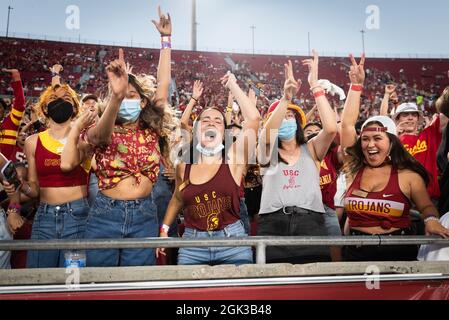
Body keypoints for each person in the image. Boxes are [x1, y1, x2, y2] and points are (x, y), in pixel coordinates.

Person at [73, 7, 177, 267]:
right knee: (101, 282)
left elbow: (162, 87)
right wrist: (117, 96)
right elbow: (98, 137)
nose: (126, 100)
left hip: (144, 213)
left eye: (132, 96)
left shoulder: (151, 128)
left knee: (136, 283)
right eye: (122, 96)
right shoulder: (103, 124)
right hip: (105, 214)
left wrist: (166, 41)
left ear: (143, 103)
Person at [340, 54, 449, 262]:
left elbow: (426, 205)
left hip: (397, 253)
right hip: (355, 252)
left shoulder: (407, 175)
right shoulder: (353, 168)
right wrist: (356, 86)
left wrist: (432, 219)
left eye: (377, 138)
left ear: (392, 142)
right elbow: (346, 126)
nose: (370, 144)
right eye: (365, 139)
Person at [157, 71, 260, 266]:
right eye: (205, 120)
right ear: (195, 130)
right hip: (192, 244)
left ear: (224, 133)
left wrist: (233, 86)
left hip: (233, 242)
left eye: (218, 121)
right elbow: (177, 199)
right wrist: (164, 229)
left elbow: (253, 120)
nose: (211, 122)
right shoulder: (183, 165)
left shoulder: (234, 158)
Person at [256, 53, 338, 264]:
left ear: (300, 123)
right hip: (273, 223)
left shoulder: (311, 149)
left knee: (313, 285)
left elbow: (330, 128)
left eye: (291, 116)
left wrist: (314, 86)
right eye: (282, 116)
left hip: (311, 221)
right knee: (274, 281)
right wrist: (286, 99)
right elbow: (266, 135)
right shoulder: (266, 151)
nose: (287, 119)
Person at [392, 101, 448, 203]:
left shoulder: (429, 135)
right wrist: (394, 135)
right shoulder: (390, 141)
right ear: (397, 119)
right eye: (405, 115)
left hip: (429, 198)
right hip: (400, 198)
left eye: (414, 115)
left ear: (418, 119)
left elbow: (446, 114)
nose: (410, 118)